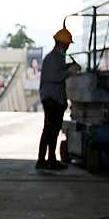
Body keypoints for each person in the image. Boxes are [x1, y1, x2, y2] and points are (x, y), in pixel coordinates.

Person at [37, 28, 79, 170]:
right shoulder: (52, 58)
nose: (67, 47)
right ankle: (44, 160)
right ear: (61, 44)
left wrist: (69, 67)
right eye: (67, 44)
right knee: (50, 130)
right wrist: (69, 72)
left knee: (53, 131)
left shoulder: (58, 58)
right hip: (51, 100)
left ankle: (49, 159)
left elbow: (59, 71)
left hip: (56, 99)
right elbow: (54, 77)